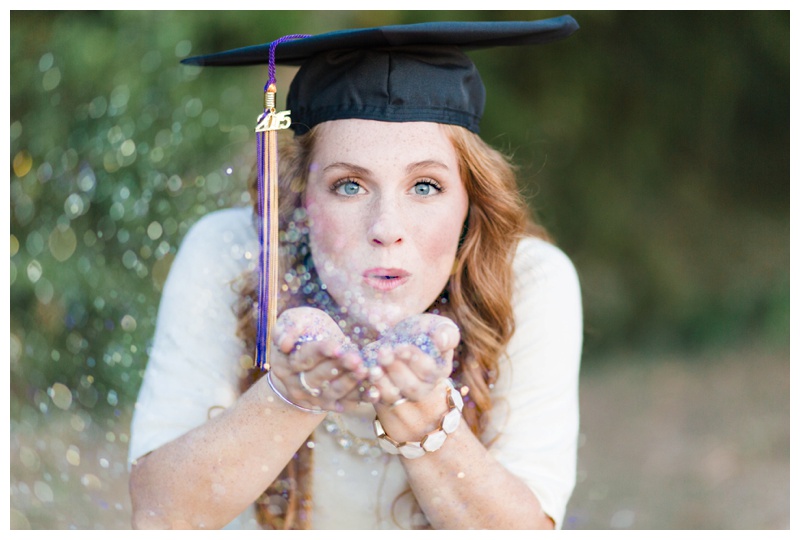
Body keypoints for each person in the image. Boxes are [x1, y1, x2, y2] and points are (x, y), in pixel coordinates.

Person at [128, 15, 583, 530]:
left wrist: (425, 416)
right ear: (299, 196)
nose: (386, 228)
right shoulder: (229, 252)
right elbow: (160, 515)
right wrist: (291, 396)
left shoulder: (530, 281)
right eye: (349, 185)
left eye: (426, 186)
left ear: (470, 201)